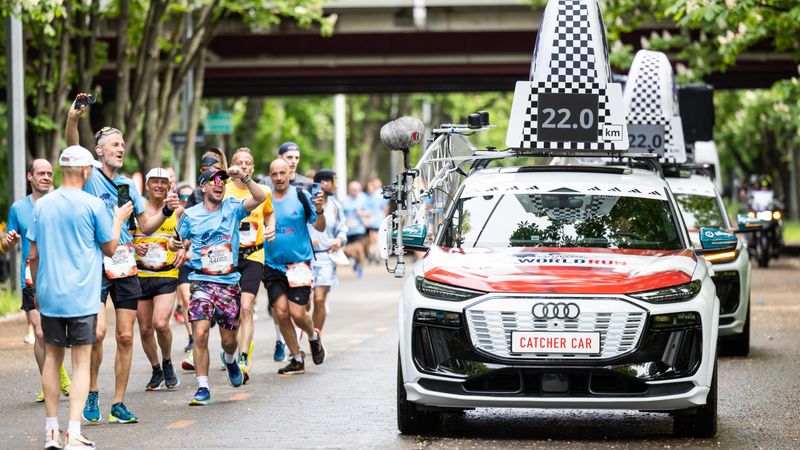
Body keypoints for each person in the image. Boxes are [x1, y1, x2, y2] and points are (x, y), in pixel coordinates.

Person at [66, 93, 181, 424]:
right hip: (94, 262)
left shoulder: (129, 185)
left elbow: (144, 224)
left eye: (122, 144)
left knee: (126, 336)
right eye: (114, 144)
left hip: (125, 262)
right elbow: (73, 148)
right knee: (98, 333)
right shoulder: (87, 175)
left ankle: (117, 402)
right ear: (99, 150)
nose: (121, 148)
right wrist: (74, 119)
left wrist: (165, 212)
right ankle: (91, 392)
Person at [28, 145, 133, 450]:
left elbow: (32, 254)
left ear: (62, 170)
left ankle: (51, 432)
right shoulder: (92, 204)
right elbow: (110, 248)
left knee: (52, 358)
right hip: (83, 295)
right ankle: (73, 433)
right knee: (81, 361)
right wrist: (118, 219)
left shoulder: (42, 206)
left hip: (49, 293)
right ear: (87, 171)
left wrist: (36, 289)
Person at [172, 165, 266, 405]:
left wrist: (242, 177)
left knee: (228, 340)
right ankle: (202, 387)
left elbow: (260, 197)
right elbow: (177, 242)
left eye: (222, 182)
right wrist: (179, 248)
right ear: (203, 187)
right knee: (200, 332)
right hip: (202, 280)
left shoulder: (233, 208)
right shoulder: (190, 215)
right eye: (213, 181)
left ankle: (231, 359)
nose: (219, 184)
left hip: (228, 282)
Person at [2, 159, 73, 403]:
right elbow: (6, 244)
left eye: (49, 173)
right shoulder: (18, 208)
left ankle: (55, 374)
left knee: (57, 332)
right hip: (30, 276)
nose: (46, 176)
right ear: (29, 176)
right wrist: (8, 242)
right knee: (40, 331)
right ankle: (51, 380)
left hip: (59, 274)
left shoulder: (63, 203)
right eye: (40, 173)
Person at [263, 159, 327, 375]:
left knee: (297, 313)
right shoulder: (264, 198)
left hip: (299, 263)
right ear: (270, 176)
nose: (279, 178)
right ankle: (297, 358)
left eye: (283, 173)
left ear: (289, 173)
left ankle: (313, 337)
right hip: (272, 265)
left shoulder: (301, 196)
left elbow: (319, 226)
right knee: (280, 314)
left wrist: (320, 211)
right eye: (275, 174)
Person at [224, 148, 275, 381]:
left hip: (254, 255)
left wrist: (270, 226)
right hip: (230, 256)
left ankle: (244, 358)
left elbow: (268, 212)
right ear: (232, 166)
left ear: (252, 168)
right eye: (240, 163)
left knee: (246, 307)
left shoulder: (262, 190)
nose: (244, 166)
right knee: (230, 315)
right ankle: (231, 350)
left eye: (248, 163)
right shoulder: (224, 189)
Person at [133, 168, 183, 391]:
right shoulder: (137, 210)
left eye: (164, 182)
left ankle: (167, 361)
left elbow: (187, 237)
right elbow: (125, 239)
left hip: (166, 273)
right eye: (155, 182)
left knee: (161, 323)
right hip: (141, 275)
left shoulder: (177, 211)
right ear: (147, 185)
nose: (160, 186)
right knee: (145, 329)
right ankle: (156, 369)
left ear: (169, 185)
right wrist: (136, 246)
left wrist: (182, 247)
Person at [308, 170, 348, 331]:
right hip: (305, 258)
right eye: (334, 182)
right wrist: (307, 239)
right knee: (303, 303)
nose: (336, 186)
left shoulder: (336, 206)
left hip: (326, 257)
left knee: (319, 299)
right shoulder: (307, 203)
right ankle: (304, 334)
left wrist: (340, 239)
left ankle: (316, 337)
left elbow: (342, 228)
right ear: (323, 183)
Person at [342, 181, 371, 278]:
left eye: (357, 190)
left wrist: (362, 213)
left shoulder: (363, 198)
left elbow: (369, 212)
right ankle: (355, 262)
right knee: (349, 251)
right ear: (349, 190)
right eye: (354, 190)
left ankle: (360, 268)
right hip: (348, 230)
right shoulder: (345, 200)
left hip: (359, 229)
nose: (356, 192)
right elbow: (341, 215)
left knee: (359, 248)